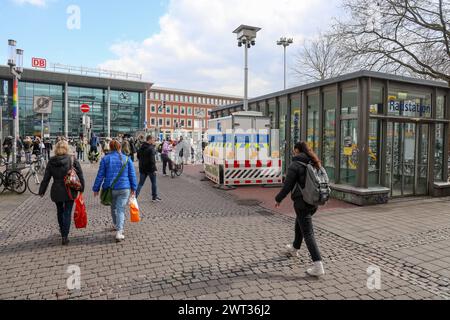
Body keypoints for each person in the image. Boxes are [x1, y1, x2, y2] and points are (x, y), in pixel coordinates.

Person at [275, 141, 325, 277]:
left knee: (308, 233)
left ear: (297, 150)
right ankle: (294, 248)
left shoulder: (295, 165)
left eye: (294, 150)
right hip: (313, 202)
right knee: (300, 222)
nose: (293, 152)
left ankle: (318, 265)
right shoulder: (314, 162)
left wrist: (278, 199)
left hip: (302, 203)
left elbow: (287, 186)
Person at [38, 140, 85, 246]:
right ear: (67, 148)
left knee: (60, 211)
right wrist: (81, 188)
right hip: (70, 189)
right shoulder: (72, 159)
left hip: (56, 190)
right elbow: (80, 174)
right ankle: (65, 235)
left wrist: (42, 190)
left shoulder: (51, 161)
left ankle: (62, 230)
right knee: (67, 212)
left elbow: (46, 178)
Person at [93, 140, 137, 242]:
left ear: (110, 148)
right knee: (120, 209)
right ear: (119, 147)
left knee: (113, 208)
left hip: (110, 188)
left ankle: (116, 225)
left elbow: (100, 175)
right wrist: (134, 188)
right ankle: (119, 231)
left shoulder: (105, 159)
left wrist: (96, 188)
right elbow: (132, 175)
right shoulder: (127, 159)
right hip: (124, 188)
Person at [136, 135, 161, 202]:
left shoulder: (141, 147)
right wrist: (154, 169)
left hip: (142, 168)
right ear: (149, 140)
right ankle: (154, 197)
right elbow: (152, 160)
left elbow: (138, 156)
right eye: (153, 139)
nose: (154, 141)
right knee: (154, 183)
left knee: (140, 184)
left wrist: (142, 162)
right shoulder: (151, 148)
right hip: (150, 169)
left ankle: (134, 198)